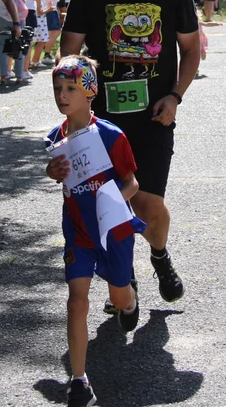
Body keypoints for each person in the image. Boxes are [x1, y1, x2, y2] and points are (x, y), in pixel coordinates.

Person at [61, 0, 199, 307]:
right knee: (111, 201)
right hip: (102, 122)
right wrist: (80, 92)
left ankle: (159, 256)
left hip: (155, 116)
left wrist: (175, 96)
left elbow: (190, 51)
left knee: (148, 202)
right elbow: (69, 54)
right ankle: (125, 276)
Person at [44, 56, 141, 407]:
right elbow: (56, 172)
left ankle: (129, 299)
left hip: (113, 229)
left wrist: (108, 196)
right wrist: (50, 171)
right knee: (76, 302)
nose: (63, 95)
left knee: (118, 299)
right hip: (79, 231)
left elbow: (132, 183)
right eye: (58, 89)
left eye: (71, 88)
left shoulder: (112, 136)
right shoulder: (56, 137)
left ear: (90, 91)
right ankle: (79, 380)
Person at [0, 0, 30, 83]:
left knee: (2, 47)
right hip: (18, 17)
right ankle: (19, 75)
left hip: (2, 16)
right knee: (19, 44)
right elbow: (22, 0)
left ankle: (3, 75)